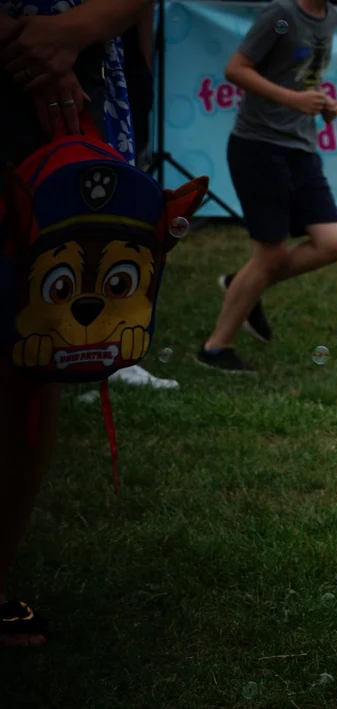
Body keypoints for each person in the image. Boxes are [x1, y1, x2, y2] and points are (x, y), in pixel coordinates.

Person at [0, 0, 156, 648]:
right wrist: (24, 48)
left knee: (39, 350)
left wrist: (73, 33)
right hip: (41, 82)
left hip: (69, 103)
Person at [199, 0, 337, 372]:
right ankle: (216, 348)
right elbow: (236, 69)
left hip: (301, 147)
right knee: (269, 253)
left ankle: (243, 284)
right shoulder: (280, 15)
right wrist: (292, 100)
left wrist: (322, 104)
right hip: (259, 147)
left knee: (333, 242)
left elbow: (300, 76)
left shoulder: (330, 17)